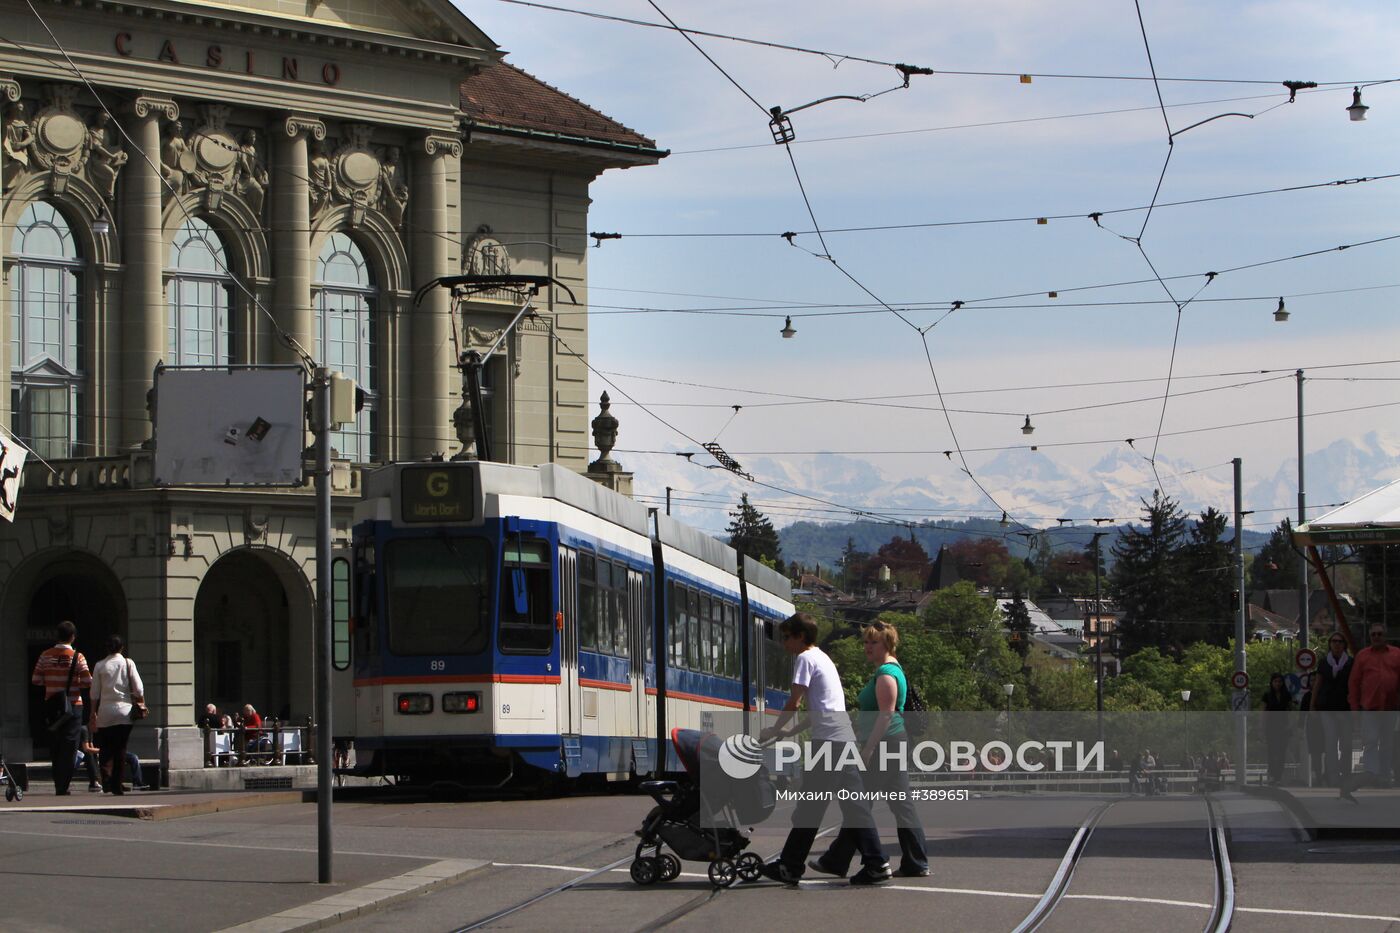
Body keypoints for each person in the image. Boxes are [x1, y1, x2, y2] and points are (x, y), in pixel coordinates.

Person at [758, 612, 892, 886]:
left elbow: (794, 702)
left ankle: (791, 866)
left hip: (829, 744)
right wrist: (788, 732)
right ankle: (877, 864)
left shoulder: (805, 659)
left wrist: (773, 728)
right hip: (843, 740)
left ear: (800, 637)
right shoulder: (823, 658)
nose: (784, 643)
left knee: (811, 807)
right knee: (854, 807)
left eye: (787, 637)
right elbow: (819, 711)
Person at [809, 621, 929, 879]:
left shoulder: (886, 673)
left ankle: (841, 860)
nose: (868, 647)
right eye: (866, 641)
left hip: (885, 743)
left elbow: (886, 715)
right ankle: (915, 861)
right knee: (898, 804)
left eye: (874, 642)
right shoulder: (890, 669)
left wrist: (868, 748)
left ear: (887, 644)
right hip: (892, 742)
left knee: (858, 802)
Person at [31, 621, 92, 795]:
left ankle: (58, 781)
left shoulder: (45, 655)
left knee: (55, 745)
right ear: (73, 637)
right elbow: (88, 681)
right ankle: (62, 785)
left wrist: (51, 684)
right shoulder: (78, 657)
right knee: (69, 745)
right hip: (73, 706)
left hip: (53, 706)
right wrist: (75, 683)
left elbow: (36, 679)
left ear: (57, 636)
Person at [89, 634, 144, 796]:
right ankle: (117, 785)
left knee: (105, 747)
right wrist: (139, 700)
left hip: (105, 711)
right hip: (124, 711)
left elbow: (94, 693)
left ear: (107, 648)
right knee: (120, 748)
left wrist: (93, 713)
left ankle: (106, 780)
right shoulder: (128, 663)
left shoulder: (100, 665)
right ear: (122, 648)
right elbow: (139, 689)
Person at [1348, 623, 1400, 787]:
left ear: (1385, 636)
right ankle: (1372, 773)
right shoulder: (1363, 656)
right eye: (1373, 635)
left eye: (1379, 634)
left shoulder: (1396, 654)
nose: (1376, 637)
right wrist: (1355, 708)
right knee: (1370, 741)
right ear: (1370, 637)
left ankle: (1384, 776)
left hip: (1391, 707)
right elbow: (1354, 683)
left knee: (1387, 743)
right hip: (1370, 708)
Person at [1262, 673, 1294, 785]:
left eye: (1280, 681)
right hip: (1271, 727)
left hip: (1283, 727)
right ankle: (1272, 775)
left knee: (1281, 752)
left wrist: (1290, 725)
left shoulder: (1287, 695)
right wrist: (1262, 726)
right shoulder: (1267, 695)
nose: (1277, 684)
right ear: (1272, 683)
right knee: (1272, 752)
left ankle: (1278, 777)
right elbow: (1264, 712)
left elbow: (1290, 711)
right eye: (1275, 681)